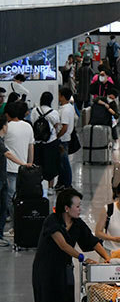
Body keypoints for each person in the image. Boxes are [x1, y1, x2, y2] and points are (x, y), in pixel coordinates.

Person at [32, 188, 109, 302]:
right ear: (67, 208)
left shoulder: (77, 224)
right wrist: (82, 258)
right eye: (77, 206)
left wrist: (107, 257)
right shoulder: (52, 221)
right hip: (45, 271)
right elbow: (63, 245)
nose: (80, 209)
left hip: (64, 271)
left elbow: (92, 241)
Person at [0, 115, 32, 245]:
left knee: (3, 206)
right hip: (1, 179)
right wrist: (23, 163)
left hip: (3, 178)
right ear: (3, 126)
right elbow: (7, 154)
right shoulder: (0, 142)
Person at [4, 102, 34, 231]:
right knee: (21, 197)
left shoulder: (6, 127)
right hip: (24, 168)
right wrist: (29, 164)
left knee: (10, 197)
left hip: (9, 167)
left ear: (7, 114)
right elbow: (31, 146)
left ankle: (15, 225)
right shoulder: (27, 126)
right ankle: (20, 223)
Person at [31, 92, 61, 193]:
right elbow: (57, 126)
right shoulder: (54, 112)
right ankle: (50, 188)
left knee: (38, 164)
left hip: (37, 142)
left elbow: (32, 122)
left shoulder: (35, 110)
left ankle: (37, 186)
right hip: (50, 142)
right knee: (51, 164)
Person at [57, 88, 75, 190]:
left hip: (63, 139)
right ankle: (61, 183)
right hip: (64, 138)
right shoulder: (68, 107)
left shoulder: (65, 110)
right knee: (61, 163)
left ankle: (67, 184)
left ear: (63, 96)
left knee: (65, 163)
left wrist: (57, 137)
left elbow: (64, 127)